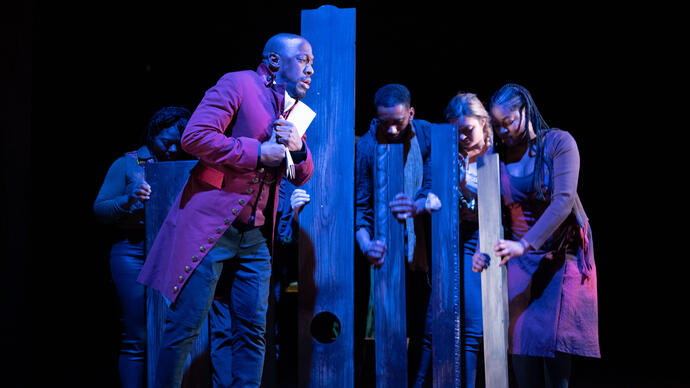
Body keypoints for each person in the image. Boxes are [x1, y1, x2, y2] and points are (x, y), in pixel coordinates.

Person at [137, 33, 315, 388]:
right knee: (184, 327)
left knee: (253, 330)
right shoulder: (239, 82)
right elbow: (195, 136)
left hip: (257, 237)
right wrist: (256, 152)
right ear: (275, 60)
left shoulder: (291, 108)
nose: (310, 69)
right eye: (304, 59)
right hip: (213, 226)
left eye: (312, 63)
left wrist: (296, 148)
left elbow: (302, 174)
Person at [473, 83, 600, 388]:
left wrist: (525, 243)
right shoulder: (495, 161)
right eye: (498, 126)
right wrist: (483, 249)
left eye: (509, 122)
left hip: (561, 257)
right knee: (520, 344)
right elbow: (488, 211)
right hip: (520, 262)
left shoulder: (558, 143)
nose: (503, 132)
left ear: (526, 111)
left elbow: (564, 199)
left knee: (553, 353)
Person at [93, 106, 192, 388]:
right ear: (152, 135)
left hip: (174, 254)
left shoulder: (186, 165)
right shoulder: (127, 164)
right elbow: (99, 210)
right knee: (136, 335)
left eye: (178, 143)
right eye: (166, 141)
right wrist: (127, 199)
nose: (172, 149)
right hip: (133, 252)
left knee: (173, 332)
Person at [354, 83, 433, 387]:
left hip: (422, 250)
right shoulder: (367, 144)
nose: (390, 130)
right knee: (385, 330)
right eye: (383, 122)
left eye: (397, 122)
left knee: (422, 325)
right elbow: (361, 204)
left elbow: (431, 183)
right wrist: (366, 244)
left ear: (410, 113)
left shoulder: (425, 134)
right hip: (384, 254)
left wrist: (420, 203)